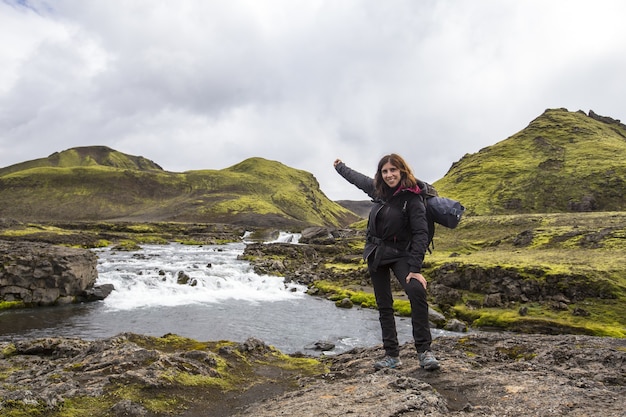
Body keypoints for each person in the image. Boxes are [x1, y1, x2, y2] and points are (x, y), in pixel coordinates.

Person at [333, 154, 440, 371]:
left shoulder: (412, 198)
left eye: (393, 170)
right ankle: (392, 355)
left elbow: (421, 233)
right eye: (385, 171)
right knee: (384, 306)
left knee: (416, 291)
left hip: (401, 254)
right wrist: (340, 167)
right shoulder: (378, 191)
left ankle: (424, 352)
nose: (389, 175)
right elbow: (358, 179)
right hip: (376, 253)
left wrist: (415, 269)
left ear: (402, 171)